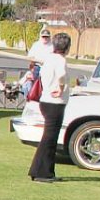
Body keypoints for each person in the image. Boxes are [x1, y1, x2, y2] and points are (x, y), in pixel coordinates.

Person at [28, 32, 72, 183]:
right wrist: (61, 88)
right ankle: (40, 172)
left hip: (46, 100)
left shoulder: (49, 58)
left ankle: (48, 171)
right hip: (55, 102)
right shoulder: (60, 60)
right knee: (49, 138)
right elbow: (61, 75)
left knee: (50, 137)